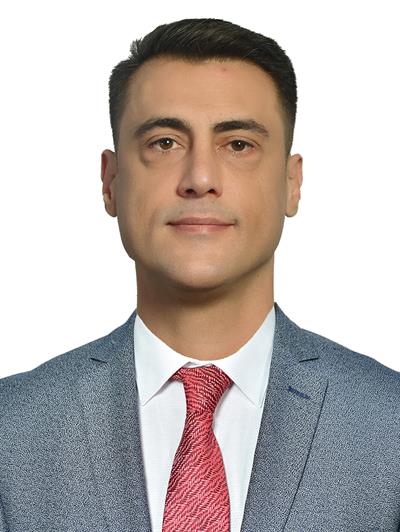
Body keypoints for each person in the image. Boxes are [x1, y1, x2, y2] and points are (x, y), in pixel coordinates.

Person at [0, 17, 399, 532]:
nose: (200, 178)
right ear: (111, 182)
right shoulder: (12, 429)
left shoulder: (388, 424)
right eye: (165, 142)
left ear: (291, 183)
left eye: (238, 144)